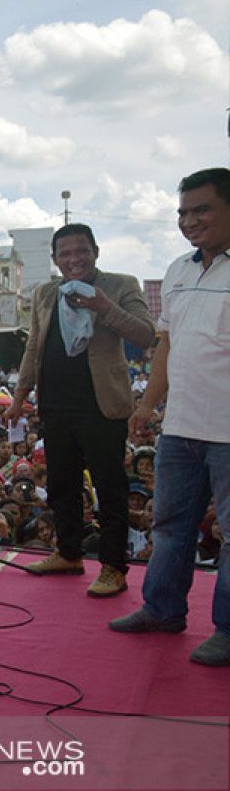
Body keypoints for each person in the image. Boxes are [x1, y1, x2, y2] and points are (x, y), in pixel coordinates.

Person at [111, 168, 230, 666]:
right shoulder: (180, 269)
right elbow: (166, 345)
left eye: (201, 209)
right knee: (169, 525)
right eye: (182, 212)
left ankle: (227, 630)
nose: (189, 221)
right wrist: (147, 404)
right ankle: (162, 608)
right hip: (181, 427)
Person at [6, 223, 154, 596]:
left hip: (101, 406)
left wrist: (105, 307)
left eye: (81, 251)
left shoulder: (121, 285)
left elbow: (146, 334)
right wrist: (20, 396)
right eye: (66, 253)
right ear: (55, 259)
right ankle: (68, 552)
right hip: (55, 404)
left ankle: (113, 567)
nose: (74, 259)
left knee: (110, 489)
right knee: (61, 487)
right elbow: (34, 347)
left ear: (96, 252)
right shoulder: (45, 292)